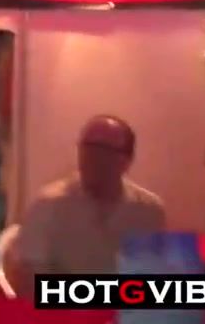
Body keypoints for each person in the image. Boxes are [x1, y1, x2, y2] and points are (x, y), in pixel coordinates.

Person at [11, 115, 165, 297]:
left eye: (103, 150)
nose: (92, 158)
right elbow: (29, 283)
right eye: (87, 147)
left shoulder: (149, 211)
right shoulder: (47, 205)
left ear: (127, 160)